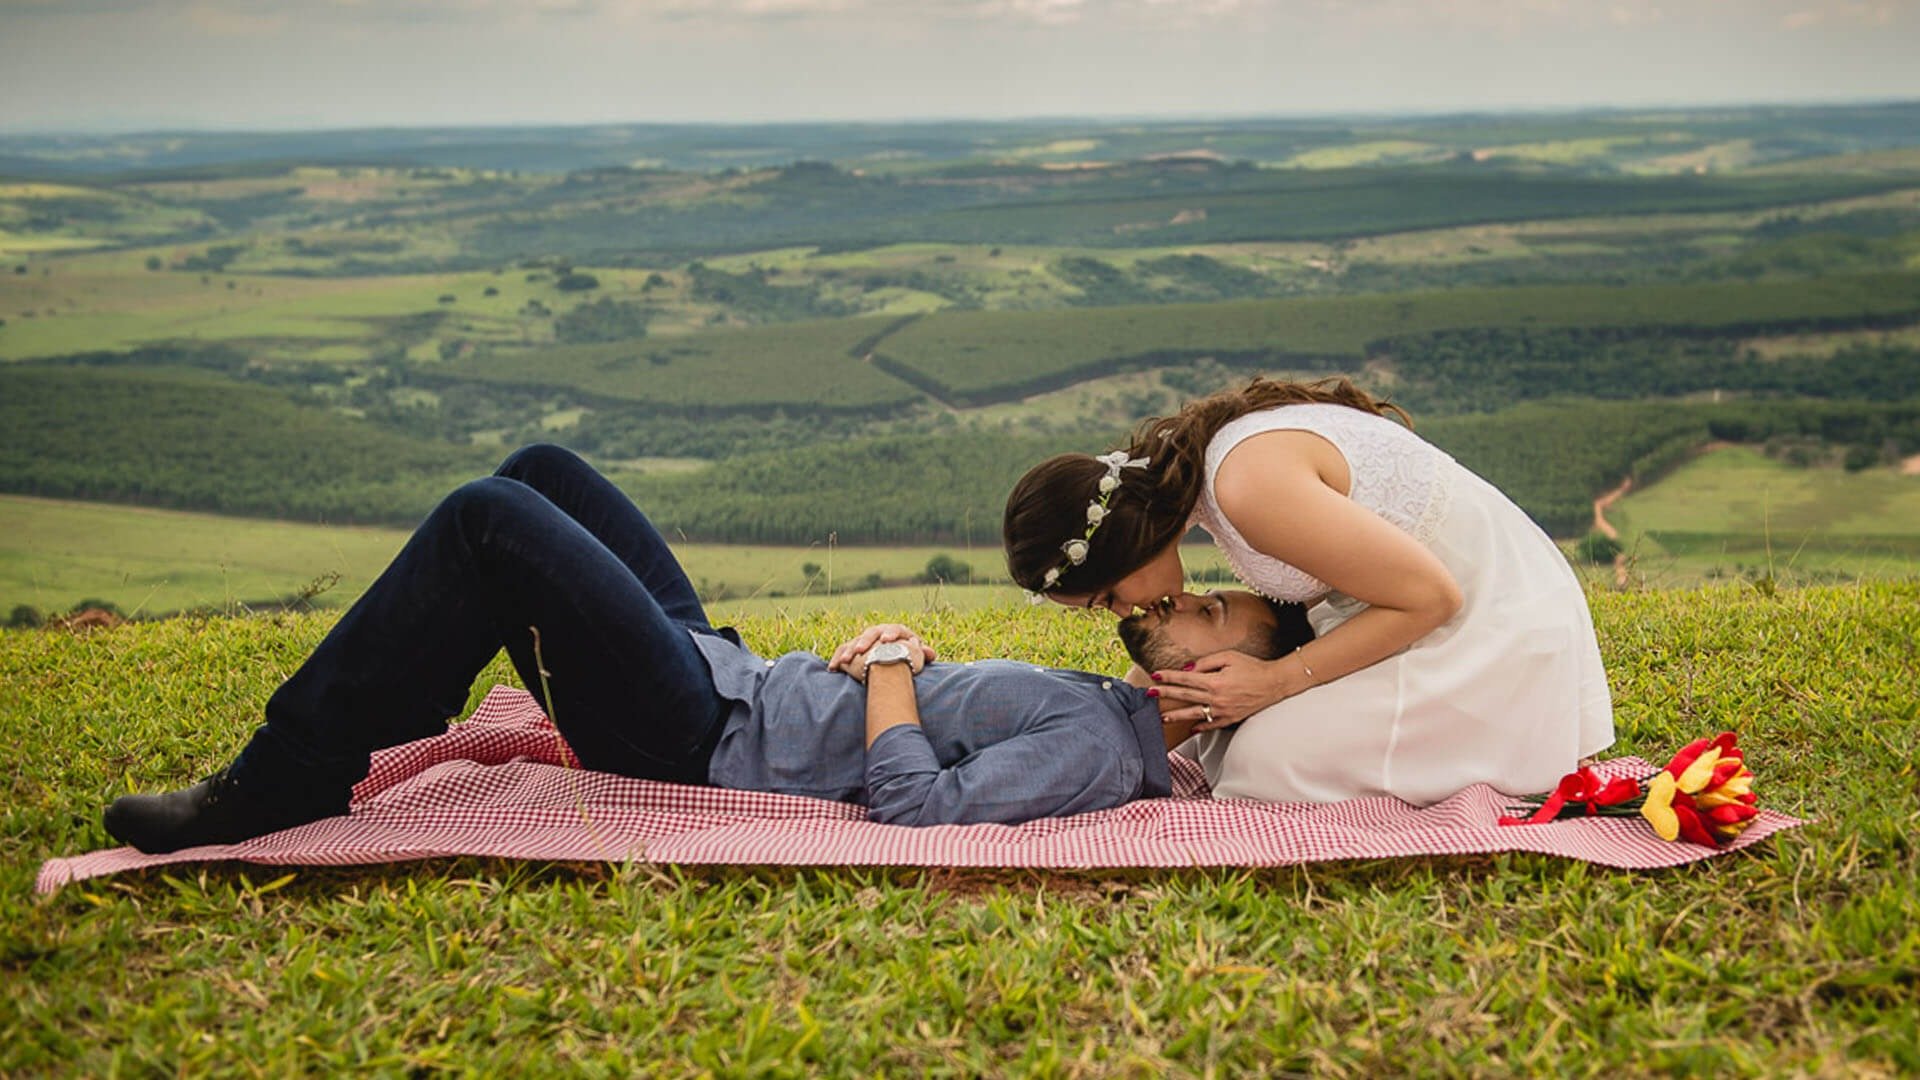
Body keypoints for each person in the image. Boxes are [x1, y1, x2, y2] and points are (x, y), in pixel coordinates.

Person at [104, 444, 1315, 854]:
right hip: (728, 667)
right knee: (542, 476)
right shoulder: (1097, 698)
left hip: (701, 731)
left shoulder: (1099, 756)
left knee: (489, 519)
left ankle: (284, 780)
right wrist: (912, 671)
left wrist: (893, 666)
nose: (1180, 607)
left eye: (1211, 616)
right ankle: (366, 714)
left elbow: (915, 805)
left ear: (1215, 684)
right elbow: (931, 725)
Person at [1002, 376, 1615, 805]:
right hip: (1415, 617)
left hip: (1485, 633)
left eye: (1107, 597)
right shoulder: (1212, 477)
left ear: (1123, 545)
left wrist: (1274, 682)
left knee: (1261, 758)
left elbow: (1434, 598)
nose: (1124, 613)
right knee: (1218, 737)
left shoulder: (1245, 485)